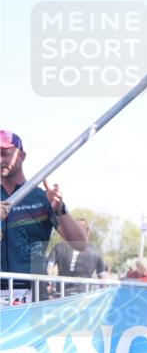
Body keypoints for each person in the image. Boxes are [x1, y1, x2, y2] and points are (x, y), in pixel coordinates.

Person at [0, 130, 87, 303]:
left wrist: (59, 208)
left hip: (33, 293)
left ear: (22, 156)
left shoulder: (42, 197)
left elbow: (81, 244)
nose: (0, 160)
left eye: (4, 154)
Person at [48, 218, 107, 294]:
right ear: (88, 232)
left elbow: (48, 270)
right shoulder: (96, 252)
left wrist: (49, 286)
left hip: (61, 297)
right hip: (83, 298)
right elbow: (102, 279)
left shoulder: (59, 247)